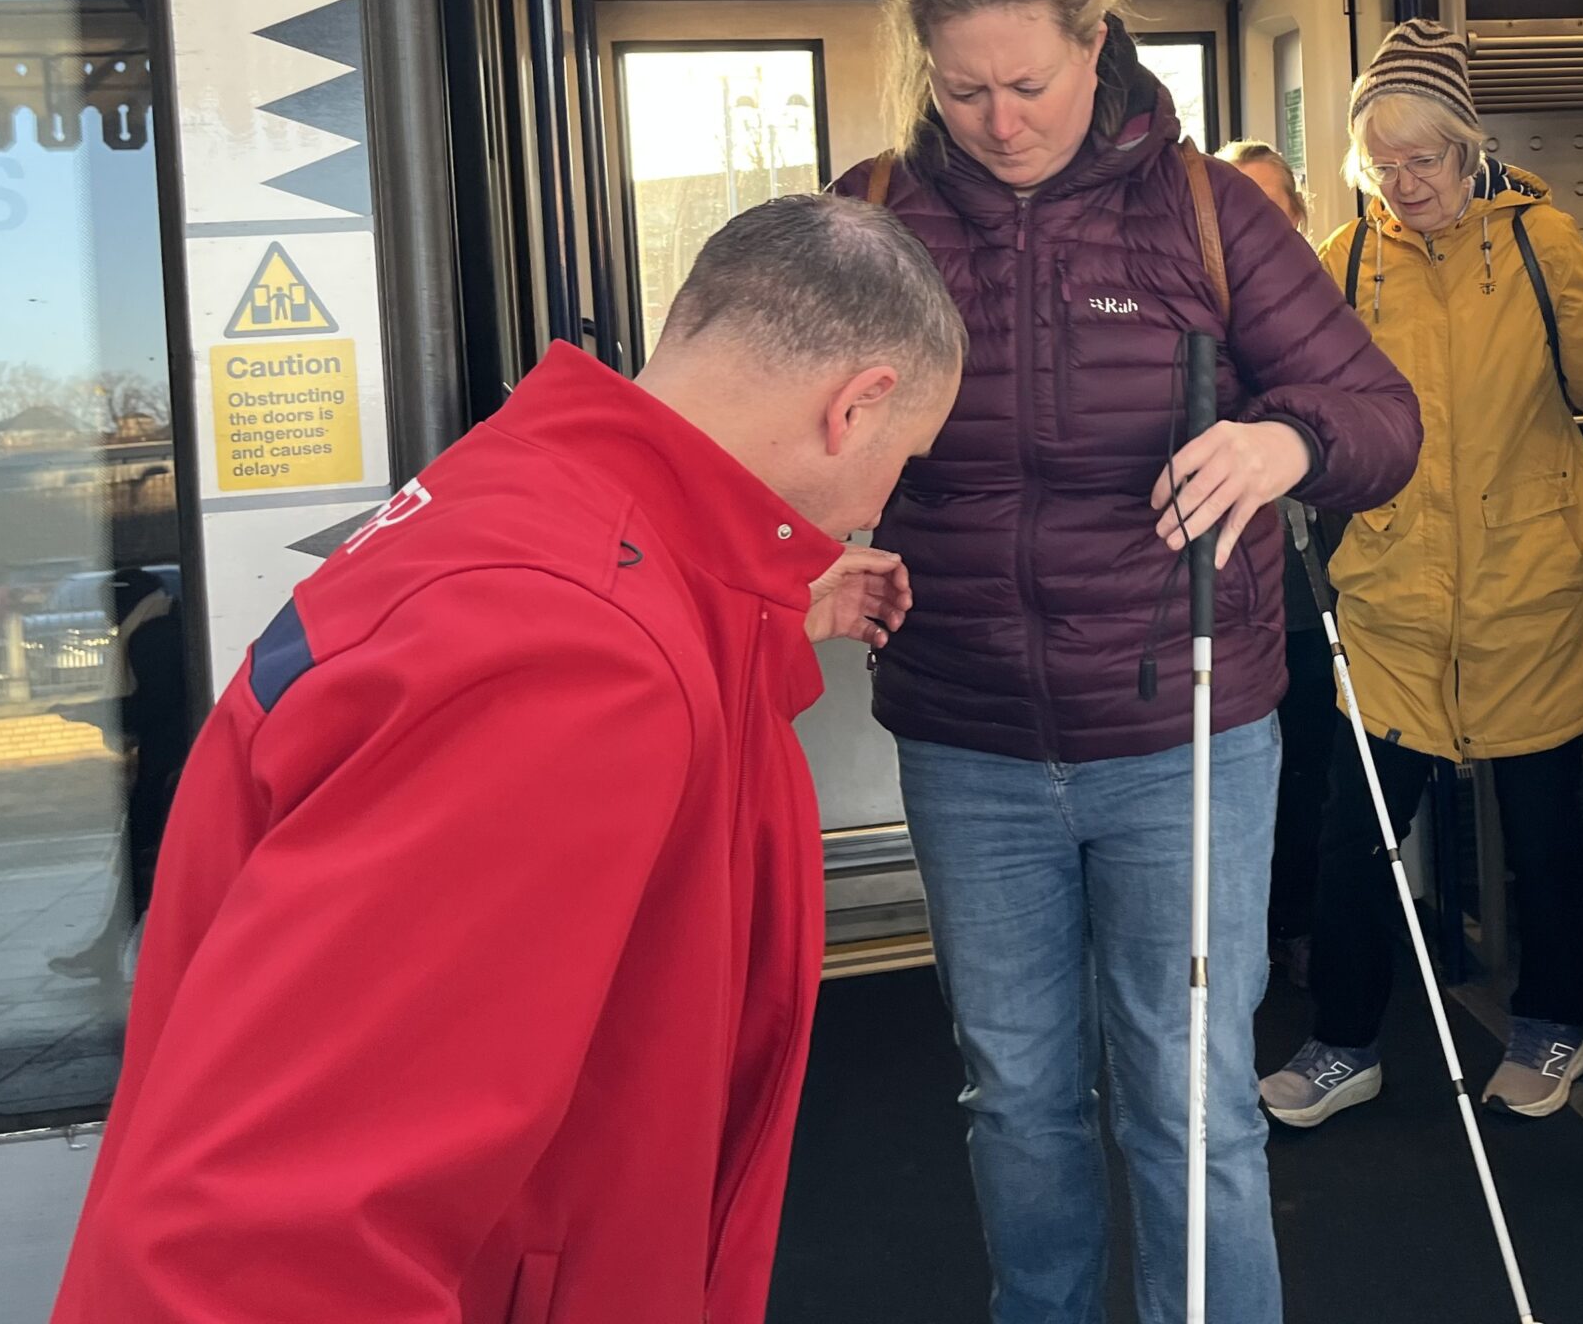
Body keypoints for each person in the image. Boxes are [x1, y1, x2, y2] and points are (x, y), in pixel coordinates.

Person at [49, 194, 963, 1324]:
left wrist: (764, 613)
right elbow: (268, 1250)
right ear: (857, 407)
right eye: (906, 460)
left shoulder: (539, 517)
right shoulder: (574, 658)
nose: (883, 507)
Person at [840, 0, 1419, 1324]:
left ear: (1095, 44)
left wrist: (1285, 440)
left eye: (1026, 81)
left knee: (1191, 1099)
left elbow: (1381, 416)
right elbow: (758, 439)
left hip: (1185, 740)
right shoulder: (873, 220)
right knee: (1016, 1093)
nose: (1000, 119)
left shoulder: (1208, 215)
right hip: (969, 739)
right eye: (963, 90)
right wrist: (808, 547)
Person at [1259, 18, 1583, 1129]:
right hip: (1394, 591)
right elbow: (1304, 398)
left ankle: (1553, 1026)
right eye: (1382, 165)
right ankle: (1343, 1042)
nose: (1404, 185)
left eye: (1423, 160)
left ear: (1467, 146)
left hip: (1531, 583)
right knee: (1357, 828)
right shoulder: (1346, 260)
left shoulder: (1541, 240)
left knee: (1544, 828)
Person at [1216, 139, 1335, 988]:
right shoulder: (1207, 308)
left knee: (1311, 777)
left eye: (1274, 206)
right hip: (1239, 598)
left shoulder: (1327, 306)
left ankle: (1295, 927)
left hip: (1323, 595)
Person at [48, 566, 192, 981]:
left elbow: (153, 708)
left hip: (166, 768)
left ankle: (114, 951)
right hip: (171, 765)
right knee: (146, 863)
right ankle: (109, 949)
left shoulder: (148, 637)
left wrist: (92, 713)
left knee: (143, 861)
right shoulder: (170, 622)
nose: (107, 620)